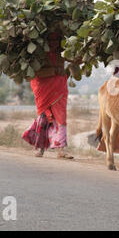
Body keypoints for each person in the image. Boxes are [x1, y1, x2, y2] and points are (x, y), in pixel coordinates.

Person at [22, 29, 77, 159]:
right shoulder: (40, 54)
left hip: (59, 90)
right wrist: (56, 70)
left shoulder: (63, 52)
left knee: (61, 119)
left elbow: (75, 59)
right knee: (43, 119)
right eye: (51, 40)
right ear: (46, 41)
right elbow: (37, 72)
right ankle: (40, 149)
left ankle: (61, 151)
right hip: (44, 90)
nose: (54, 43)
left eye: (56, 40)